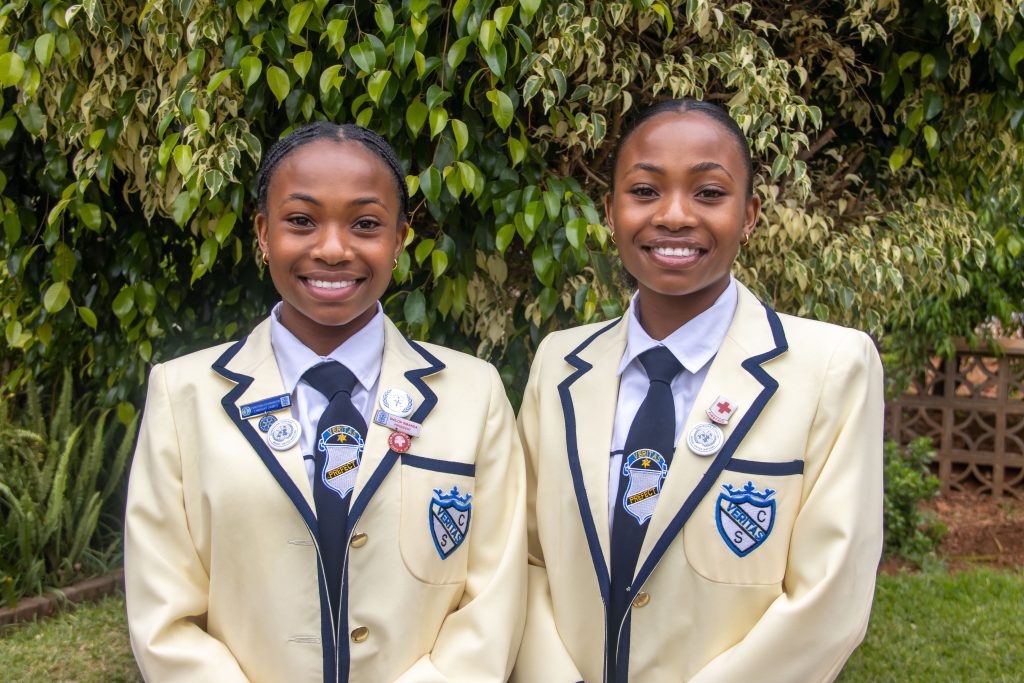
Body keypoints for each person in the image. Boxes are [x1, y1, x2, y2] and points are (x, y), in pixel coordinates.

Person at [124, 122, 526, 683]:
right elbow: (164, 616)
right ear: (263, 233)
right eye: (301, 221)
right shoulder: (182, 394)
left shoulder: (473, 394)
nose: (333, 249)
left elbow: (493, 603)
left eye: (365, 224)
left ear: (399, 239)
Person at [512, 99, 883, 683]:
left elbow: (828, 600)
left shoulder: (832, 366)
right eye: (644, 191)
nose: (675, 215)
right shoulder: (560, 364)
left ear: (749, 215)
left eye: (709, 193)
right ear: (610, 212)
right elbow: (525, 558)